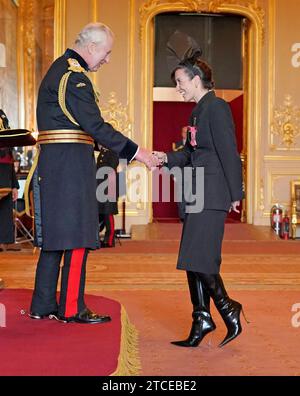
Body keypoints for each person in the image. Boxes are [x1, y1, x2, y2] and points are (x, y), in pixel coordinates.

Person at [29, 22, 159, 324]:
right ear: (91, 47)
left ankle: (42, 304)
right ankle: (72, 308)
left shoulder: (59, 69)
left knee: (55, 237)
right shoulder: (74, 78)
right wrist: (140, 153)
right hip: (70, 167)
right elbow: (96, 127)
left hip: (56, 163)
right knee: (78, 235)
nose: (107, 59)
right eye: (106, 52)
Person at [153, 50, 245, 347]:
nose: (177, 87)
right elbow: (191, 152)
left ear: (196, 80)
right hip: (195, 192)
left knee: (201, 257)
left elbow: (228, 151)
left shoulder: (216, 107)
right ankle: (202, 318)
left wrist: (235, 193)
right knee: (193, 258)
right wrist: (163, 157)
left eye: (180, 81)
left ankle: (228, 309)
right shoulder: (197, 111)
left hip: (212, 191)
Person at [0, 110, 19, 252]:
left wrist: (14, 185)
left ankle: (6, 241)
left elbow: (10, 153)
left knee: (6, 206)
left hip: (6, 168)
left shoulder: (2, 115)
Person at [96, 145, 119, 248]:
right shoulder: (103, 152)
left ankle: (109, 240)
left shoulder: (112, 151)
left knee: (108, 214)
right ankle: (97, 239)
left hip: (109, 186)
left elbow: (111, 168)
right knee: (100, 213)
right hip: (100, 186)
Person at [173, 126, 188, 221]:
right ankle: (182, 217)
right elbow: (173, 160)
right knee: (180, 196)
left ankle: (190, 215)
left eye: (187, 132)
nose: (185, 134)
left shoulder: (194, 144)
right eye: (183, 132)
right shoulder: (176, 145)